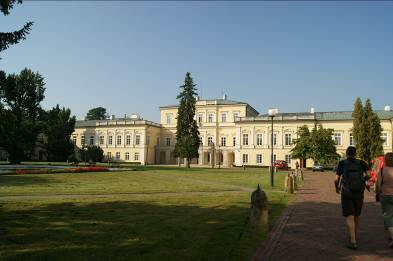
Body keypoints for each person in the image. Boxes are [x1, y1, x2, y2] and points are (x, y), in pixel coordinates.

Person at [334, 146, 369, 250]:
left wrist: (336, 188)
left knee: (349, 215)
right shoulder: (362, 163)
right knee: (356, 215)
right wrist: (363, 180)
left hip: (347, 191)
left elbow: (336, 178)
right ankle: (354, 235)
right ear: (355, 153)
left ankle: (353, 240)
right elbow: (369, 175)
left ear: (347, 153)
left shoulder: (342, 163)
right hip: (359, 191)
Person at [376, 152, 393, 248]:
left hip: (386, 196)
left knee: (387, 217)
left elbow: (378, 185)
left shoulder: (382, 170)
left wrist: (378, 193)